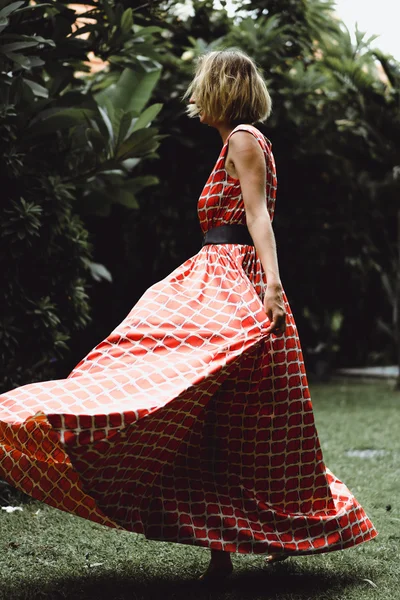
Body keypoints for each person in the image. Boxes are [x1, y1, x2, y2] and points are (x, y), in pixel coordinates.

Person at [0, 49, 377, 582]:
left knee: (224, 410)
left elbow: (257, 216)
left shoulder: (244, 138)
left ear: (223, 89)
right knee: (214, 415)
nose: (193, 97)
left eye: (201, 87)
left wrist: (270, 284)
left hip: (233, 281)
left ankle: (267, 534)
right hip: (215, 278)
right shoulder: (237, 142)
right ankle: (226, 548)